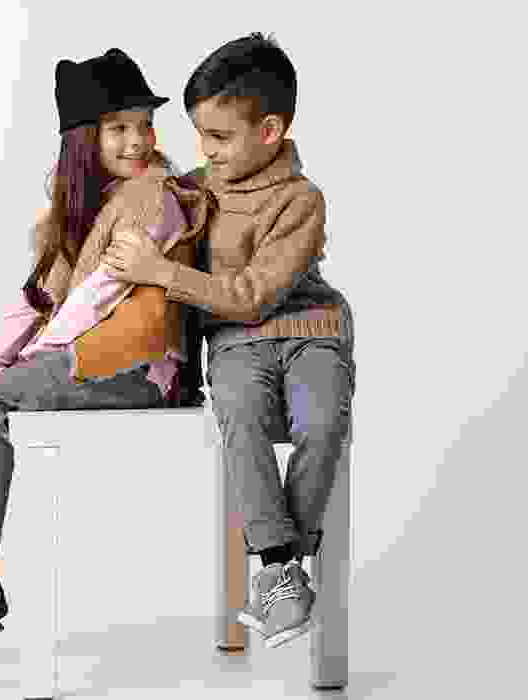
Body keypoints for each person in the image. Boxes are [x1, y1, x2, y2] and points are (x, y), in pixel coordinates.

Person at [0, 47, 213, 648]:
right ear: (83, 140)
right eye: (119, 128)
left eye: (144, 125)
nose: (138, 140)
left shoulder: (149, 198)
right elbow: (37, 298)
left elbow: (99, 296)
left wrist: (22, 367)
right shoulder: (83, 205)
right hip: (74, 357)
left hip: (136, 368)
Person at [101, 32, 356, 649]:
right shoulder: (196, 189)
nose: (206, 151)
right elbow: (133, 208)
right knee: (239, 416)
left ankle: (280, 569)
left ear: (270, 131)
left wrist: (162, 273)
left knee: (322, 422)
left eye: (219, 137)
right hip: (236, 343)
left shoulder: (302, 200)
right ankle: (282, 570)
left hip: (311, 331)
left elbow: (253, 295)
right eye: (200, 136)